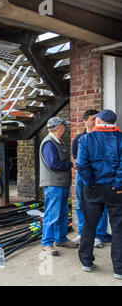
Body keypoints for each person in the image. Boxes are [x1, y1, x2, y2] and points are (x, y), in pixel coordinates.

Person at [76, 109, 122, 279]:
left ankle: (86, 262)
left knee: (89, 226)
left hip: (93, 188)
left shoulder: (86, 139)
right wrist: (117, 184)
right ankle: (119, 269)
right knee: (118, 228)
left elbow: (81, 164)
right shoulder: (120, 139)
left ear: (99, 121)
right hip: (115, 190)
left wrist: (90, 182)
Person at [39, 117, 78, 256]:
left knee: (61, 213)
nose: (65, 128)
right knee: (52, 214)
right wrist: (70, 164)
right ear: (58, 127)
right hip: (53, 184)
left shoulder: (57, 141)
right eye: (64, 126)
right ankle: (47, 243)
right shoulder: (49, 143)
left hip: (60, 183)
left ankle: (61, 239)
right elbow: (53, 164)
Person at [71, 110, 109, 248]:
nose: (94, 122)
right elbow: (76, 162)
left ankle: (99, 236)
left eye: (96, 119)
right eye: (92, 119)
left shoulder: (103, 138)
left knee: (101, 205)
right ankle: (82, 233)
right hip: (82, 177)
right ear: (85, 120)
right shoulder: (78, 139)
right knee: (81, 204)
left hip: (100, 176)